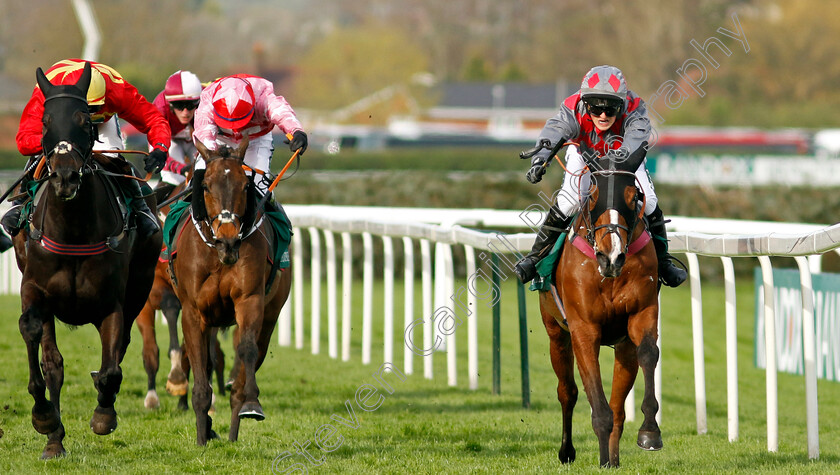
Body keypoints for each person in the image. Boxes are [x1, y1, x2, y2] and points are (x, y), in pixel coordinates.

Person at [514, 65, 687, 287]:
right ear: (585, 103)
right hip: (584, 152)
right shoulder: (573, 107)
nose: (603, 115)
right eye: (595, 109)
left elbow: (635, 143)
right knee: (570, 201)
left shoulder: (636, 108)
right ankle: (535, 257)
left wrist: (613, 164)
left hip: (625, 158)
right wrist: (541, 159)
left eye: (611, 109)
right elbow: (555, 131)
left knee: (650, 201)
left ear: (622, 104)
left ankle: (664, 263)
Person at [2, 58, 169, 247]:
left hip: (99, 122)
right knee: (44, 153)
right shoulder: (47, 92)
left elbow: (154, 119)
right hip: (64, 114)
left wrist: (160, 147)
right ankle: (19, 205)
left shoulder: (118, 91)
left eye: (94, 109)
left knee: (113, 156)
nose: (90, 114)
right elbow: (24, 141)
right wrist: (52, 142)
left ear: (105, 97)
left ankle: (140, 209)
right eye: (87, 110)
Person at [191, 74, 307, 202]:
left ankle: (275, 216)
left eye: (240, 121)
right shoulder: (208, 101)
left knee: (259, 187)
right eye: (229, 123)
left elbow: (282, 113)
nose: (235, 129)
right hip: (220, 139)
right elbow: (204, 134)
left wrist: (296, 131)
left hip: (255, 140)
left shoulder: (264, 98)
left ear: (253, 105)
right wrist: (213, 158)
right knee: (201, 175)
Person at [152, 70, 203, 204]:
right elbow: (158, 153)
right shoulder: (158, 109)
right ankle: (148, 213)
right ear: (170, 105)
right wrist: (181, 168)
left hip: (196, 139)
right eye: (180, 106)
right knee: (173, 178)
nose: (185, 112)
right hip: (171, 141)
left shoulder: (205, 102)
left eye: (191, 106)